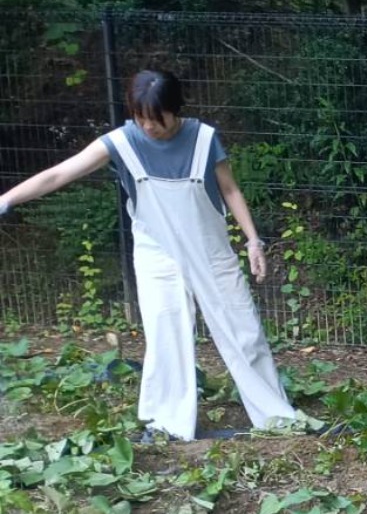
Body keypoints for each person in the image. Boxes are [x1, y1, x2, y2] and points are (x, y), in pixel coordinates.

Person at [0, 70, 294, 440]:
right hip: (157, 254)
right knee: (165, 333)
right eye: (141, 119)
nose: (149, 127)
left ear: (176, 110)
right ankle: (167, 425)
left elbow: (230, 190)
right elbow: (59, 174)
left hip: (210, 250)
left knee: (243, 331)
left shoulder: (204, 138)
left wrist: (253, 241)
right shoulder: (122, 142)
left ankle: (277, 418)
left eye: (157, 119)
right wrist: (6, 200)